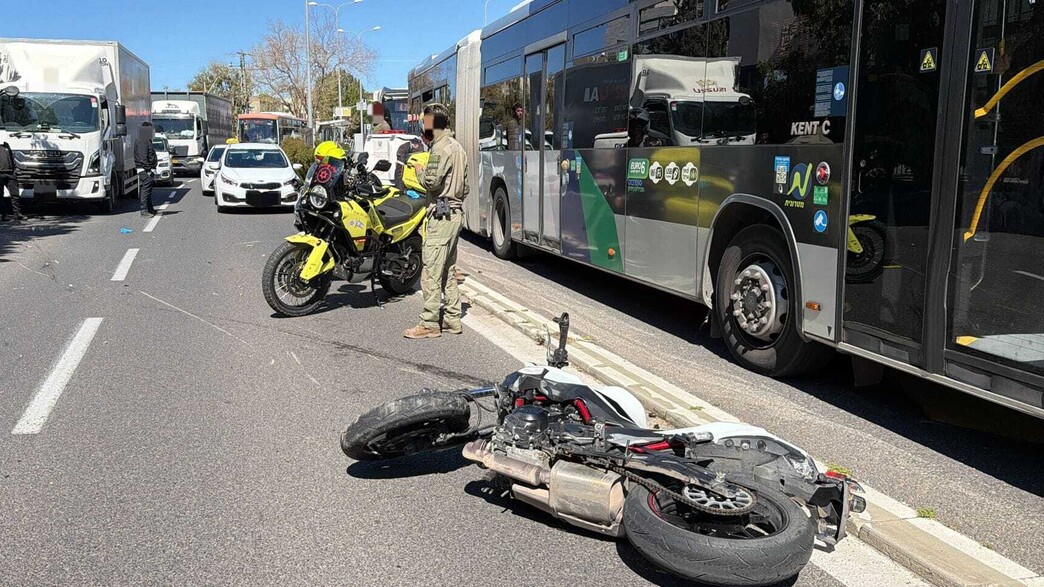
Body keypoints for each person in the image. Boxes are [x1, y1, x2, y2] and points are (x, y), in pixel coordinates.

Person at [403, 103, 469, 339]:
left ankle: (429, 322)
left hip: (440, 215)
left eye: (424, 121)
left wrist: (420, 169)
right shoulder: (458, 148)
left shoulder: (440, 148)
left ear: (430, 122)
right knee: (448, 270)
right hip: (456, 213)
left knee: (431, 271)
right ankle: (452, 319)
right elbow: (466, 186)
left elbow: (431, 182)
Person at [134, 122, 158, 217]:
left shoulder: (145, 140)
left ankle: (149, 208)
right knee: (146, 189)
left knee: (148, 189)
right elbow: (143, 157)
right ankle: (144, 210)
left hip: (146, 168)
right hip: (144, 169)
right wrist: (148, 169)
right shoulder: (142, 140)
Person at [0, 140, 25, 222]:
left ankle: (17, 214)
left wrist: (14, 170)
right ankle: (3, 215)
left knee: (15, 194)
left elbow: (11, 157)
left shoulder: (6, 144)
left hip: (10, 173)